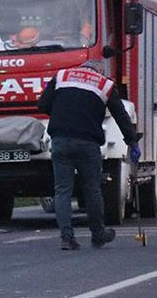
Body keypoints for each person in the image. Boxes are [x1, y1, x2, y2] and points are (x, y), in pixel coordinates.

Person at [36, 59, 137, 250]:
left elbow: (42, 105)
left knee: (62, 190)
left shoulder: (61, 76)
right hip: (88, 144)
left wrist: (61, 113)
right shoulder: (105, 84)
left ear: (81, 68)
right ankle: (98, 234)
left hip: (61, 140)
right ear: (98, 71)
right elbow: (121, 115)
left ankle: (67, 237)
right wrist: (131, 141)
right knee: (92, 188)